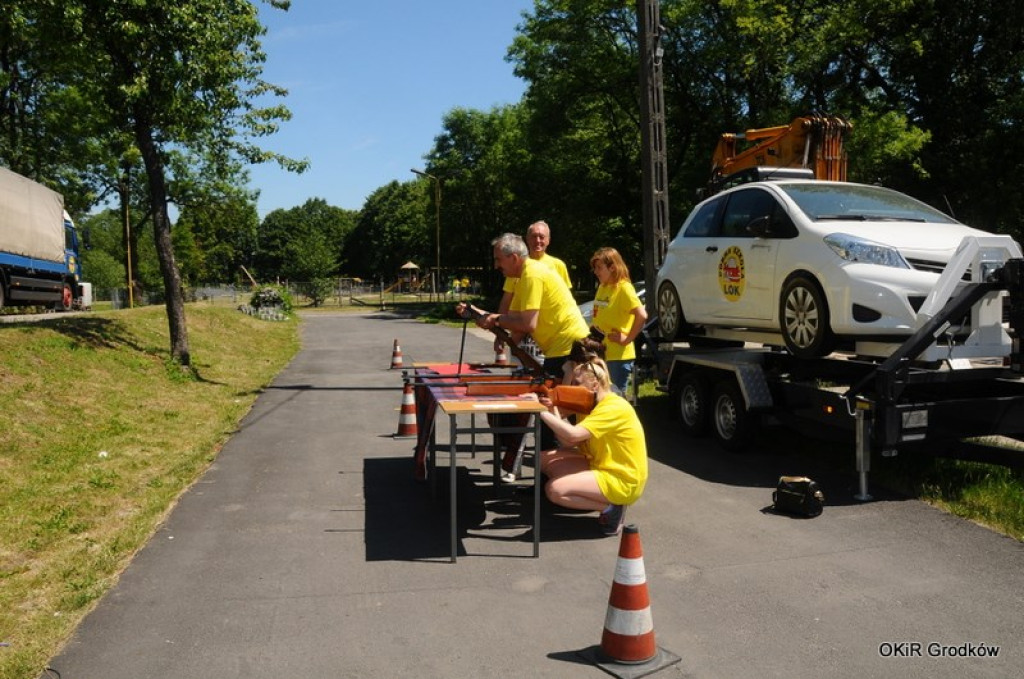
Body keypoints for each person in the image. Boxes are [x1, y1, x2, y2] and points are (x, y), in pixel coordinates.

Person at [456, 233, 590, 480]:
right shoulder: (526, 275)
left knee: (550, 417)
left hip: (566, 350)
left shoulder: (532, 275)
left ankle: (551, 481)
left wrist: (495, 319)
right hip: (564, 348)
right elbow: (517, 321)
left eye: (499, 260)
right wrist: (490, 322)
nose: (496, 265)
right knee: (551, 416)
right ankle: (548, 479)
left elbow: (527, 323)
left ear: (514, 257)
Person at [527, 356, 648, 536]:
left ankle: (611, 507)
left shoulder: (613, 407)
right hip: (602, 465)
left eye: (577, 383)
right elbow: (568, 442)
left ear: (594, 385)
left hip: (623, 479)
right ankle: (587, 492)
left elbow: (572, 435)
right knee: (542, 459)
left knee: (554, 490)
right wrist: (553, 409)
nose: (572, 388)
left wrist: (540, 411)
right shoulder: (590, 404)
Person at [495, 220, 572, 355]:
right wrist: (500, 333)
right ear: (527, 239)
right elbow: (507, 300)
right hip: (522, 334)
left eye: (542, 237)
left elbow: (567, 301)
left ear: (549, 240)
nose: (538, 240)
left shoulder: (557, 265)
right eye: (533, 236)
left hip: (548, 335)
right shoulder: (515, 267)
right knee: (520, 373)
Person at [589, 247, 648, 396]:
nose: (596, 271)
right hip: (602, 354)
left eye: (599, 268)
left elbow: (642, 315)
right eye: (595, 268)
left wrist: (627, 339)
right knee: (601, 398)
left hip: (618, 357)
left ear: (612, 267)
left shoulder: (624, 288)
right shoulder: (603, 287)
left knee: (615, 400)